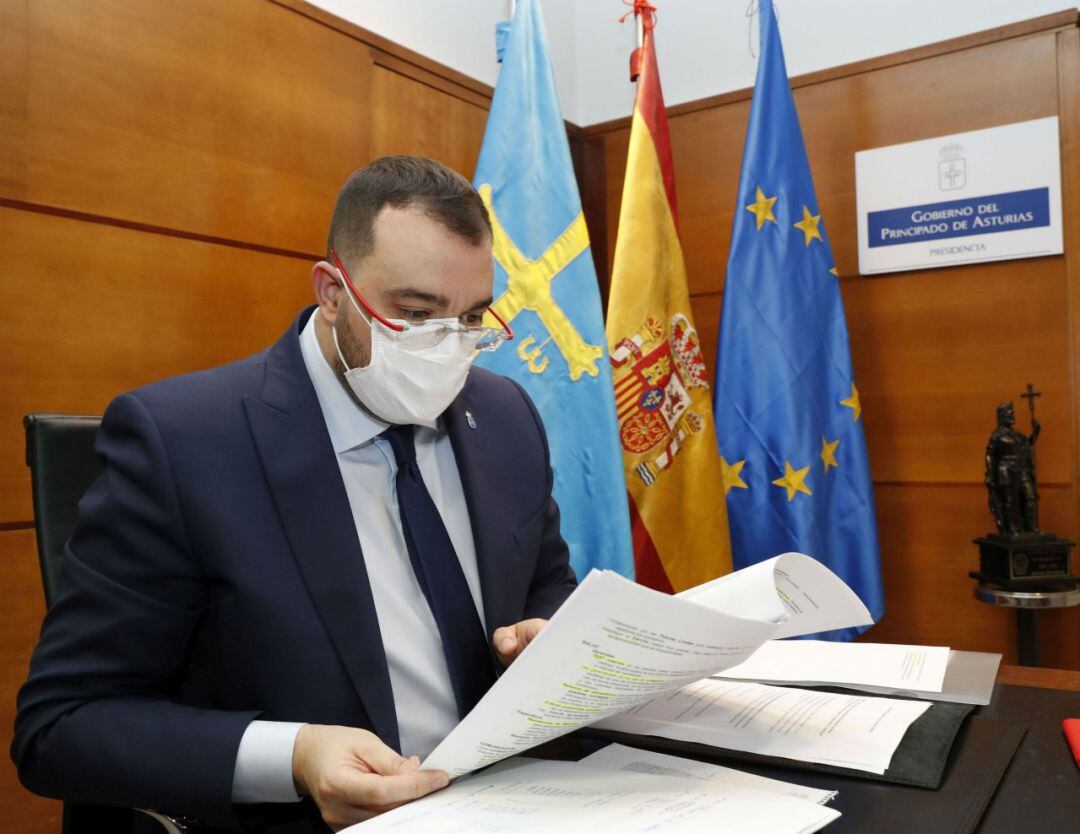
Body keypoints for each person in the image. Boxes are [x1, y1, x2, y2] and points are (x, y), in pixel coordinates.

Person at [12, 157, 578, 832]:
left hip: (516, 802)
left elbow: (547, 588)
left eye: (472, 318)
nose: (447, 349)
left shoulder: (506, 414)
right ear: (332, 292)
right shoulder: (182, 443)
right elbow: (62, 726)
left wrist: (550, 639)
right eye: (415, 313)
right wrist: (295, 757)